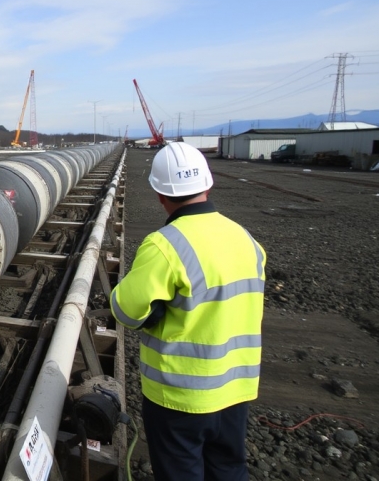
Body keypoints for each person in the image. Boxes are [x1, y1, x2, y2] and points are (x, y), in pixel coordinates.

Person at [110, 142, 266, 481]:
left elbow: (126, 311)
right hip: (235, 389)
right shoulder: (246, 239)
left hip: (180, 398)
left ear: (159, 195)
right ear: (208, 185)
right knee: (228, 468)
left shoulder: (164, 245)